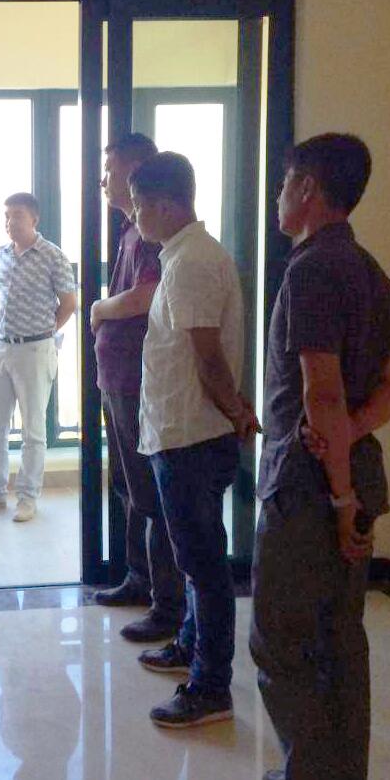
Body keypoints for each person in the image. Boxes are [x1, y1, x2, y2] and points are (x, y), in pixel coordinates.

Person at [250, 134, 390, 780]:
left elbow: (322, 392)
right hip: (356, 474)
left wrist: (340, 496)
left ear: (307, 189)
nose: (279, 197)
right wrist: (347, 433)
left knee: (280, 643)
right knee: (340, 638)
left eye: (284, 184)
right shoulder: (372, 273)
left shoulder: (310, 270)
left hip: (309, 490)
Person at [128, 152, 259, 729]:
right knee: (194, 556)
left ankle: (210, 686)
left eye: (138, 205)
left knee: (204, 565)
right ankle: (189, 644)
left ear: (165, 205)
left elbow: (208, 357)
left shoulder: (192, 263)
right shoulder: (182, 256)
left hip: (192, 438)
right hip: (179, 431)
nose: (134, 215)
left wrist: (237, 413)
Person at [91, 134, 186, 643]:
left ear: (134, 169)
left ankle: (163, 600)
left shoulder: (152, 235)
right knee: (129, 486)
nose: (103, 180)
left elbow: (147, 294)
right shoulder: (131, 230)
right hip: (119, 377)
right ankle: (138, 578)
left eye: (109, 169)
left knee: (148, 492)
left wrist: (99, 308)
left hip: (136, 380)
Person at [0, 192, 77, 522]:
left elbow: (69, 303)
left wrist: (45, 331)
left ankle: (27, 497)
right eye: (7, 215)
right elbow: (1, 297)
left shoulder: (53, 256)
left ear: (34, 219)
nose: (10, 221)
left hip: (35, 349)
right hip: (0, 346)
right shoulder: (1, 254)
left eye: (18, 215)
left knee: (33, 430)